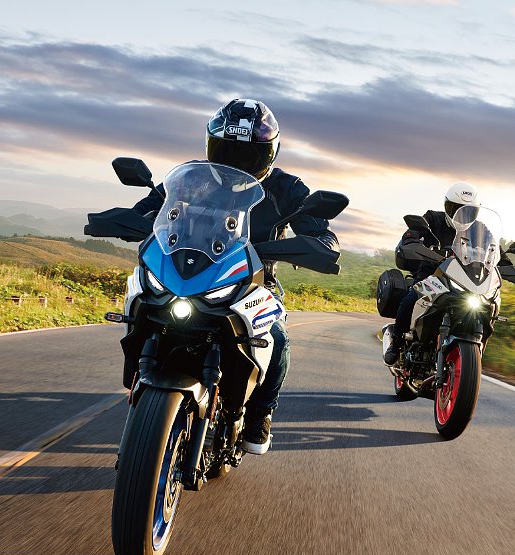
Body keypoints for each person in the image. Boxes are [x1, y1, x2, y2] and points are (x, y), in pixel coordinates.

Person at [131, 99, 339, 455]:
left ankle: (259, 414)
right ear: (212, 146)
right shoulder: (191, 178)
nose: (235, 162)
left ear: (268, 154)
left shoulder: (288, 188)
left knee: (277, 337)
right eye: (227, 150)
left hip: (253, 281)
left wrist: (315, 246)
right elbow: (148, 210)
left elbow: (324, 235)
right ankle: (143, 385)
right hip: (186, 271)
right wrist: (127, 220)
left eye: (248, 154)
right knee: (142, 302)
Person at [383, 182, 480, 364]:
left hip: (464, 281)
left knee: (483, 307)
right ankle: (396, 342)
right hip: (433, 277)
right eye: (457, 209)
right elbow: (411, 234)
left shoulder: (477, 230)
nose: (462, 216)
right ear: (447, 206)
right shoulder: (433, 218)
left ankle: (469, 354)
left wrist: (508, 265)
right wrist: (412, 240)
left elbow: (494, 251)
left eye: (468, 211)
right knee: (411, 299)